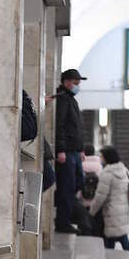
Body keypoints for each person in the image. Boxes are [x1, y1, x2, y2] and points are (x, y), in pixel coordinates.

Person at [54, 68, 87, 234]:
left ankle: (66, 216)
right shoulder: (62, 99)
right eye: (75, 83)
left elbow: (76, 128)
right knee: (66, 187)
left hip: (74, 151)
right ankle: (62, 222)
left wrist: (80, 149)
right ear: (66, 82)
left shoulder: (71, 99)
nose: (77, 86)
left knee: (77, 183)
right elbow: (59, 126)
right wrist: (60, 150)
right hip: (66, 152)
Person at [89, 145, 129, 259]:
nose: (100, 158)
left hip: (111, 211)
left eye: (102, 156)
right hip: (122, 210)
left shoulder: (107, 173)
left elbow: (100, 197)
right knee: (121, 238)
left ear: (107, 158)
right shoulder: (124, 169)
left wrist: (91, 212)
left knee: (113, 239)